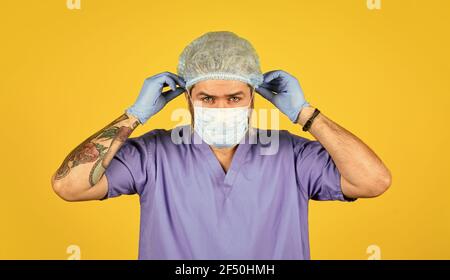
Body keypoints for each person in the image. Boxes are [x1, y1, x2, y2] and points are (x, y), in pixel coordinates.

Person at [51, 31, 391, 259]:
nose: (221, 108)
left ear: (254, 96)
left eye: (234, 97)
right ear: (187, 98)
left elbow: (374, 181)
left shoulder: (291, 155)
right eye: (207, 98)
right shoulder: (152, 155)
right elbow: (69, 186)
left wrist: (306, 114)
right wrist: (134, 116)